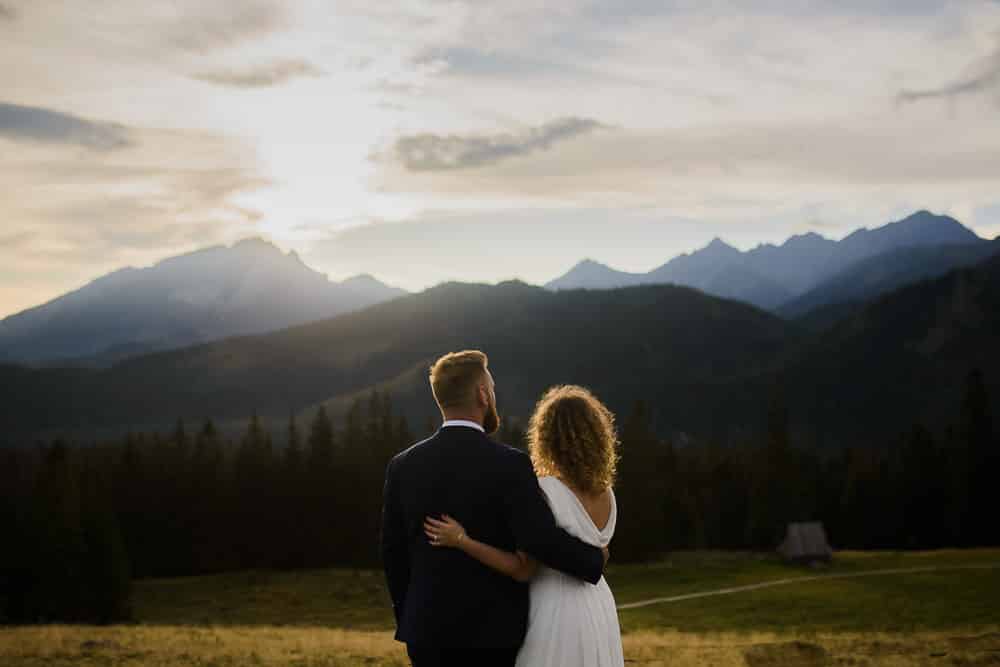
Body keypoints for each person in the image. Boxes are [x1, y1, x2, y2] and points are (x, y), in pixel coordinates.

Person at [380, 351, 609, 667]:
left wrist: (409, 617)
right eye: (493, 387)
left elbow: (393, 554)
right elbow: (538, 539)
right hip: (491, 636)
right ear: (482, 394)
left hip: (426, 633)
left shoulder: (402, 466)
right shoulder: (510, 464)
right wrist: (593, 559)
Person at [425, 384, 624, 667]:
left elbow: (523, 567)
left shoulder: (543, 490)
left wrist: (462, 539)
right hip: (599, 605)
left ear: (547, 436)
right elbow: (598, 552)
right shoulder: (607, 494)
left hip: (554, 606)